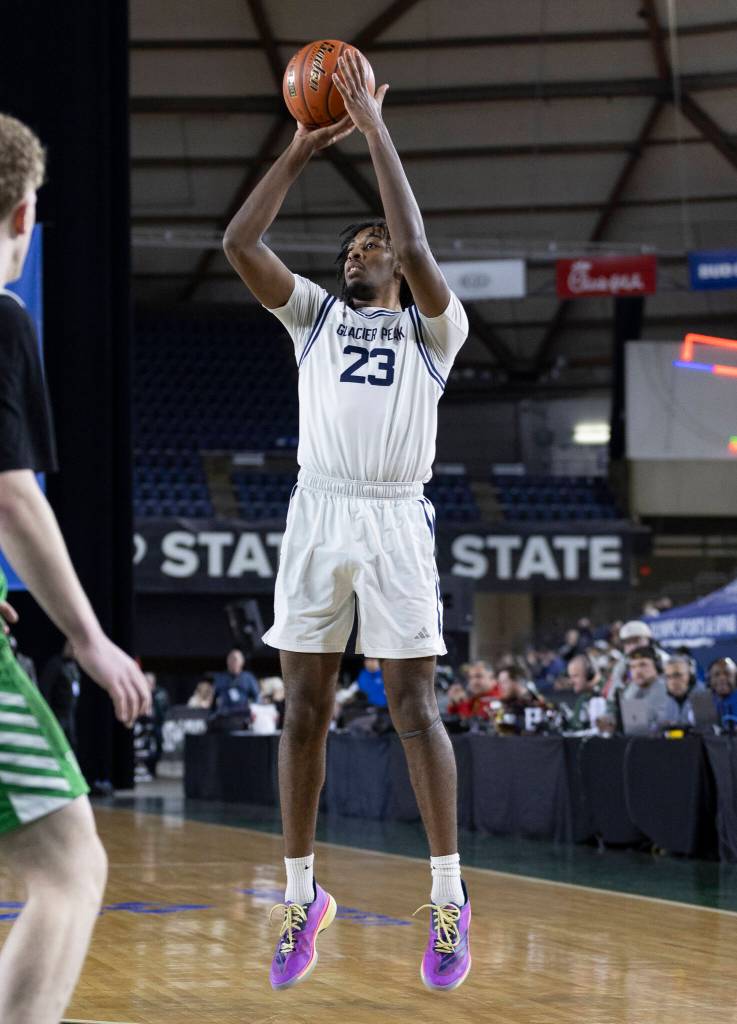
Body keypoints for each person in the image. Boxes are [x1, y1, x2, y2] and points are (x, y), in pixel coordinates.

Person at [223, 52, 470, 992]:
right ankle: (300, 897)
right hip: (317, 512)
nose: (356, 254)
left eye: (367, 246)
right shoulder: (316, 320)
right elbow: (240, 244)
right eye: (350, 250)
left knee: (411, 707)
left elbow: (413, 247)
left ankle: (448, 899)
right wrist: (297, 148)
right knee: (305, 713)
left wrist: (373, 129)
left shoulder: (434, 330)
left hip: (395, 520)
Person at [0, 112, 150, 1024]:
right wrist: (91, 640)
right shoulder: (3, 319)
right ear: (22, 212)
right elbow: (12, 498)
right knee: (69, 865)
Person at [39, 639, 81, 750]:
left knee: (71, 742)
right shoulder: (55, 664)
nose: (74, 651)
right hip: (56, 713)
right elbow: (45, 688)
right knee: (56, 741)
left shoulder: (73, 666)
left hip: (69, 713)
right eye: (72, 647)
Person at [622, 646, 670, 731]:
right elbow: (633, 728)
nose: (638, 671)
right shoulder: (630, 690)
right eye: (633, 667)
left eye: (643, 665)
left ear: (657, 666)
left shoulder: (667, 688)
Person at [563, 653, 603, 732]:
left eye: (575, 676)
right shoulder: (583, 698)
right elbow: (575, 725)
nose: (571, 682)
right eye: (570, 676)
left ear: (590, 675)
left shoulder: (608, 691)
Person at [211, 648, 259, 713]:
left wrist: (254, 710)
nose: (233, 662)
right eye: (231, 659)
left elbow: (257, 696)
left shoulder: (248, 677)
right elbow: (213, 699)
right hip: (225, 713)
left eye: (235, 659)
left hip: (243, 714)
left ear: (242, 662)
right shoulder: (220, 678)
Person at [662, 654, 699, 728]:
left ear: (690, 676)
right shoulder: (659, 700)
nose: (673, 682)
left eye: (678, 675)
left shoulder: (705, 699)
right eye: (668, 677)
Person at [708, 657, 737, 728]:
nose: (722, 678)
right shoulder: (699, 705)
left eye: (727, 674)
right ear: (709, 679)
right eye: (717, 674)